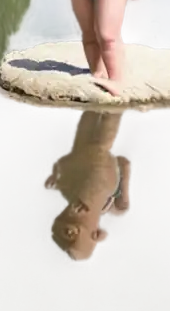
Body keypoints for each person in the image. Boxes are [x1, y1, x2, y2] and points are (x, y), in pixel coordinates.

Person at [44, 110, 133, 264]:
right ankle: (110, 105)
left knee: (90, 130)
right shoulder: (111, 204)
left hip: (83, 165)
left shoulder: (81, 205)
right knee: (100, 134)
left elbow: (125, 165)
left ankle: (103, 105)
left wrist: (58, 179)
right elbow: (125, 165)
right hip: (96, 170)